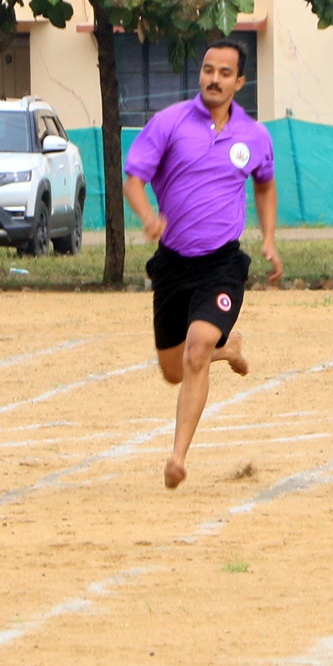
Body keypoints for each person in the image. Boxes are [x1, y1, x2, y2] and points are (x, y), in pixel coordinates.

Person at [122, 35, 282, 489]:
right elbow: (133, 180)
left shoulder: (254, 136)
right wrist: (150, 216)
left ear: (240, 82)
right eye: (209, 69)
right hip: (172, 264)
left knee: (195, 351)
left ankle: (177, 458)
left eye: (225, 72)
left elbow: (265, 184)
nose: (214, 78)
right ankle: (225, 349)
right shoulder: (169, 123)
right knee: (174, 370)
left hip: (221, 265)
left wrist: (269, 238)